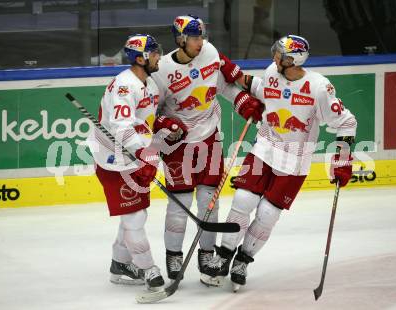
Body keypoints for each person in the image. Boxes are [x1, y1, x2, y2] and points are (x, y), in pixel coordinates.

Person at [202, 35, 358, 291]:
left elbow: (347, 122)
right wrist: (232, 71)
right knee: (243, 200)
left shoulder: (319, 87)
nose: (274, 57)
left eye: (280, 54)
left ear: (293, 60)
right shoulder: (272, 71)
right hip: (264, 148)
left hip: (295, 160)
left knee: (267, 214)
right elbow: (260, 88)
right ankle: (224, 255)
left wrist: (342, 159)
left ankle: (243, 260)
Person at [150, 14, 265, 285]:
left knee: (209, 201)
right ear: (180, 39)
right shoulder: (162, 71)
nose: (200, 42)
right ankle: (174, 254)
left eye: (201, 36)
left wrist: (243, 102)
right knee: (180, 204)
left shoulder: (210, 52)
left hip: (210, 139)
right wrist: (165, 123)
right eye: (194, 38)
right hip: (178, 145)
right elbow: (151, 113)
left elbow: (223, 86)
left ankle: (206, 253)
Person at [86, 34, 165, 292]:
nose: (158, 57)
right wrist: (142, 154)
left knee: (137, 213)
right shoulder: (124, 86)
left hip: (133, 157)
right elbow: (120, 127)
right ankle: (148, 268)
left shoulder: (150, 83)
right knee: (133, 217)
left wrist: (166, 127)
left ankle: (120, 264)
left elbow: (146, 121)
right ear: (140, 58)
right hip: (112, 160)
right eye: (153, 54)